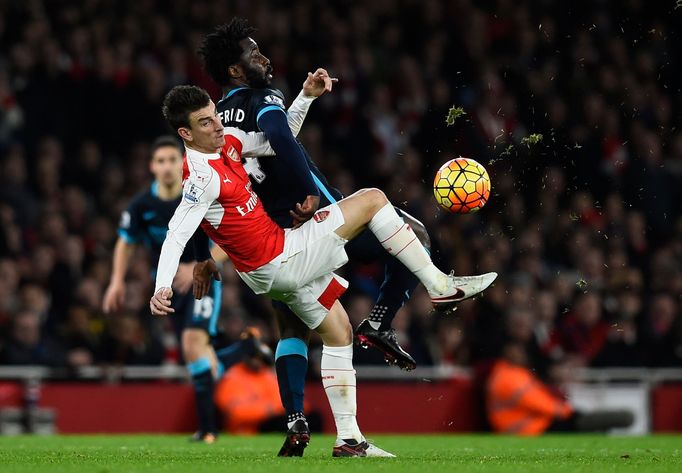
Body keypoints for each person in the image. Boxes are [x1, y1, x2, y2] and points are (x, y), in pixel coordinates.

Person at [149, 85, 496, 456]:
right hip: (280, 258)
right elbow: (176, 233)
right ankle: (439, 284)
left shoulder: (228, 142)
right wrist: (162, 287)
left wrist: (305, 97)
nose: (217, 125)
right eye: (205, 123)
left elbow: (284, 137)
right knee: (374, 199)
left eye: (214, 115)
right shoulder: (200, 178)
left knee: (339, 333)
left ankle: (350, 440)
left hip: (270, 271)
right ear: (185, 134)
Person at [196, 18, 431, 454]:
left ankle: (306, 423)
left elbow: (267, 146)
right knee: (412, 233)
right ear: (234, 69)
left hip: (272, 238)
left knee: (309, 329)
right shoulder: (261, 96)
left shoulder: (218, 121)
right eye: (253, 53)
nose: (264, 58)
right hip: (317, 220)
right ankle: (384, 318)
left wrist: (208, 254)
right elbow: (281, 137)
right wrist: (308, 189)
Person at [102, 136, 271, 443]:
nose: (167, 167)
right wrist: (116, 280)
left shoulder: (200, 190)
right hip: (168, 287)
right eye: (161, 161)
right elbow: (125, 241)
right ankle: (246, 349)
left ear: (181, 162)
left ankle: (208, 429)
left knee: (193, 343)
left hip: (200, 279)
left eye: (172, 160)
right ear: (152, 166)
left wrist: (194, 266)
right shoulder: (142, 205)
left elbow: (226, 237)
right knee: (200, 357)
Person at [486, 342, 633, 435]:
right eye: (518, 350)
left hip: (529, 425)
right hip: (531, 429)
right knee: (577, 422)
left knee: (579, 422)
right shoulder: (510, 376)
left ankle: (614, 421)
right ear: (508, 352)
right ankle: (621, 419)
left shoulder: (506, 374)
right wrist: (565, 411)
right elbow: (536, 402)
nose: (522, 354)